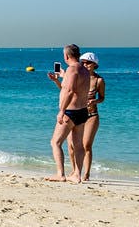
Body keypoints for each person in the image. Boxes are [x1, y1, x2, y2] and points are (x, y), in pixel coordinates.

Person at [45, 44, 90, 182]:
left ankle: (61, 174)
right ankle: (77, 174)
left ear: (66, 56)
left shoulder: (72, 70)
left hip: (70, 112)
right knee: (78, 145)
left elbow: (70, 92)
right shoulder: (84, 69)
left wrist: (62, 111)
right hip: (82, 111)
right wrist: (58, 80)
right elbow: (71, 87)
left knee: (55, 142)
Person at [80, 52, 105, 181]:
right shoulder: (78, 77)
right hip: (78, 114)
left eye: (88, 62)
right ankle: (76, 172)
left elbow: (102, 98)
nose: (85, 65)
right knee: (74, 146)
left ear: (95, 64)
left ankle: (87, 174)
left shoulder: (99, 80)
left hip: (92, 115)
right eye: (83, 62)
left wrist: (94, 101)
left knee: (86, 145)